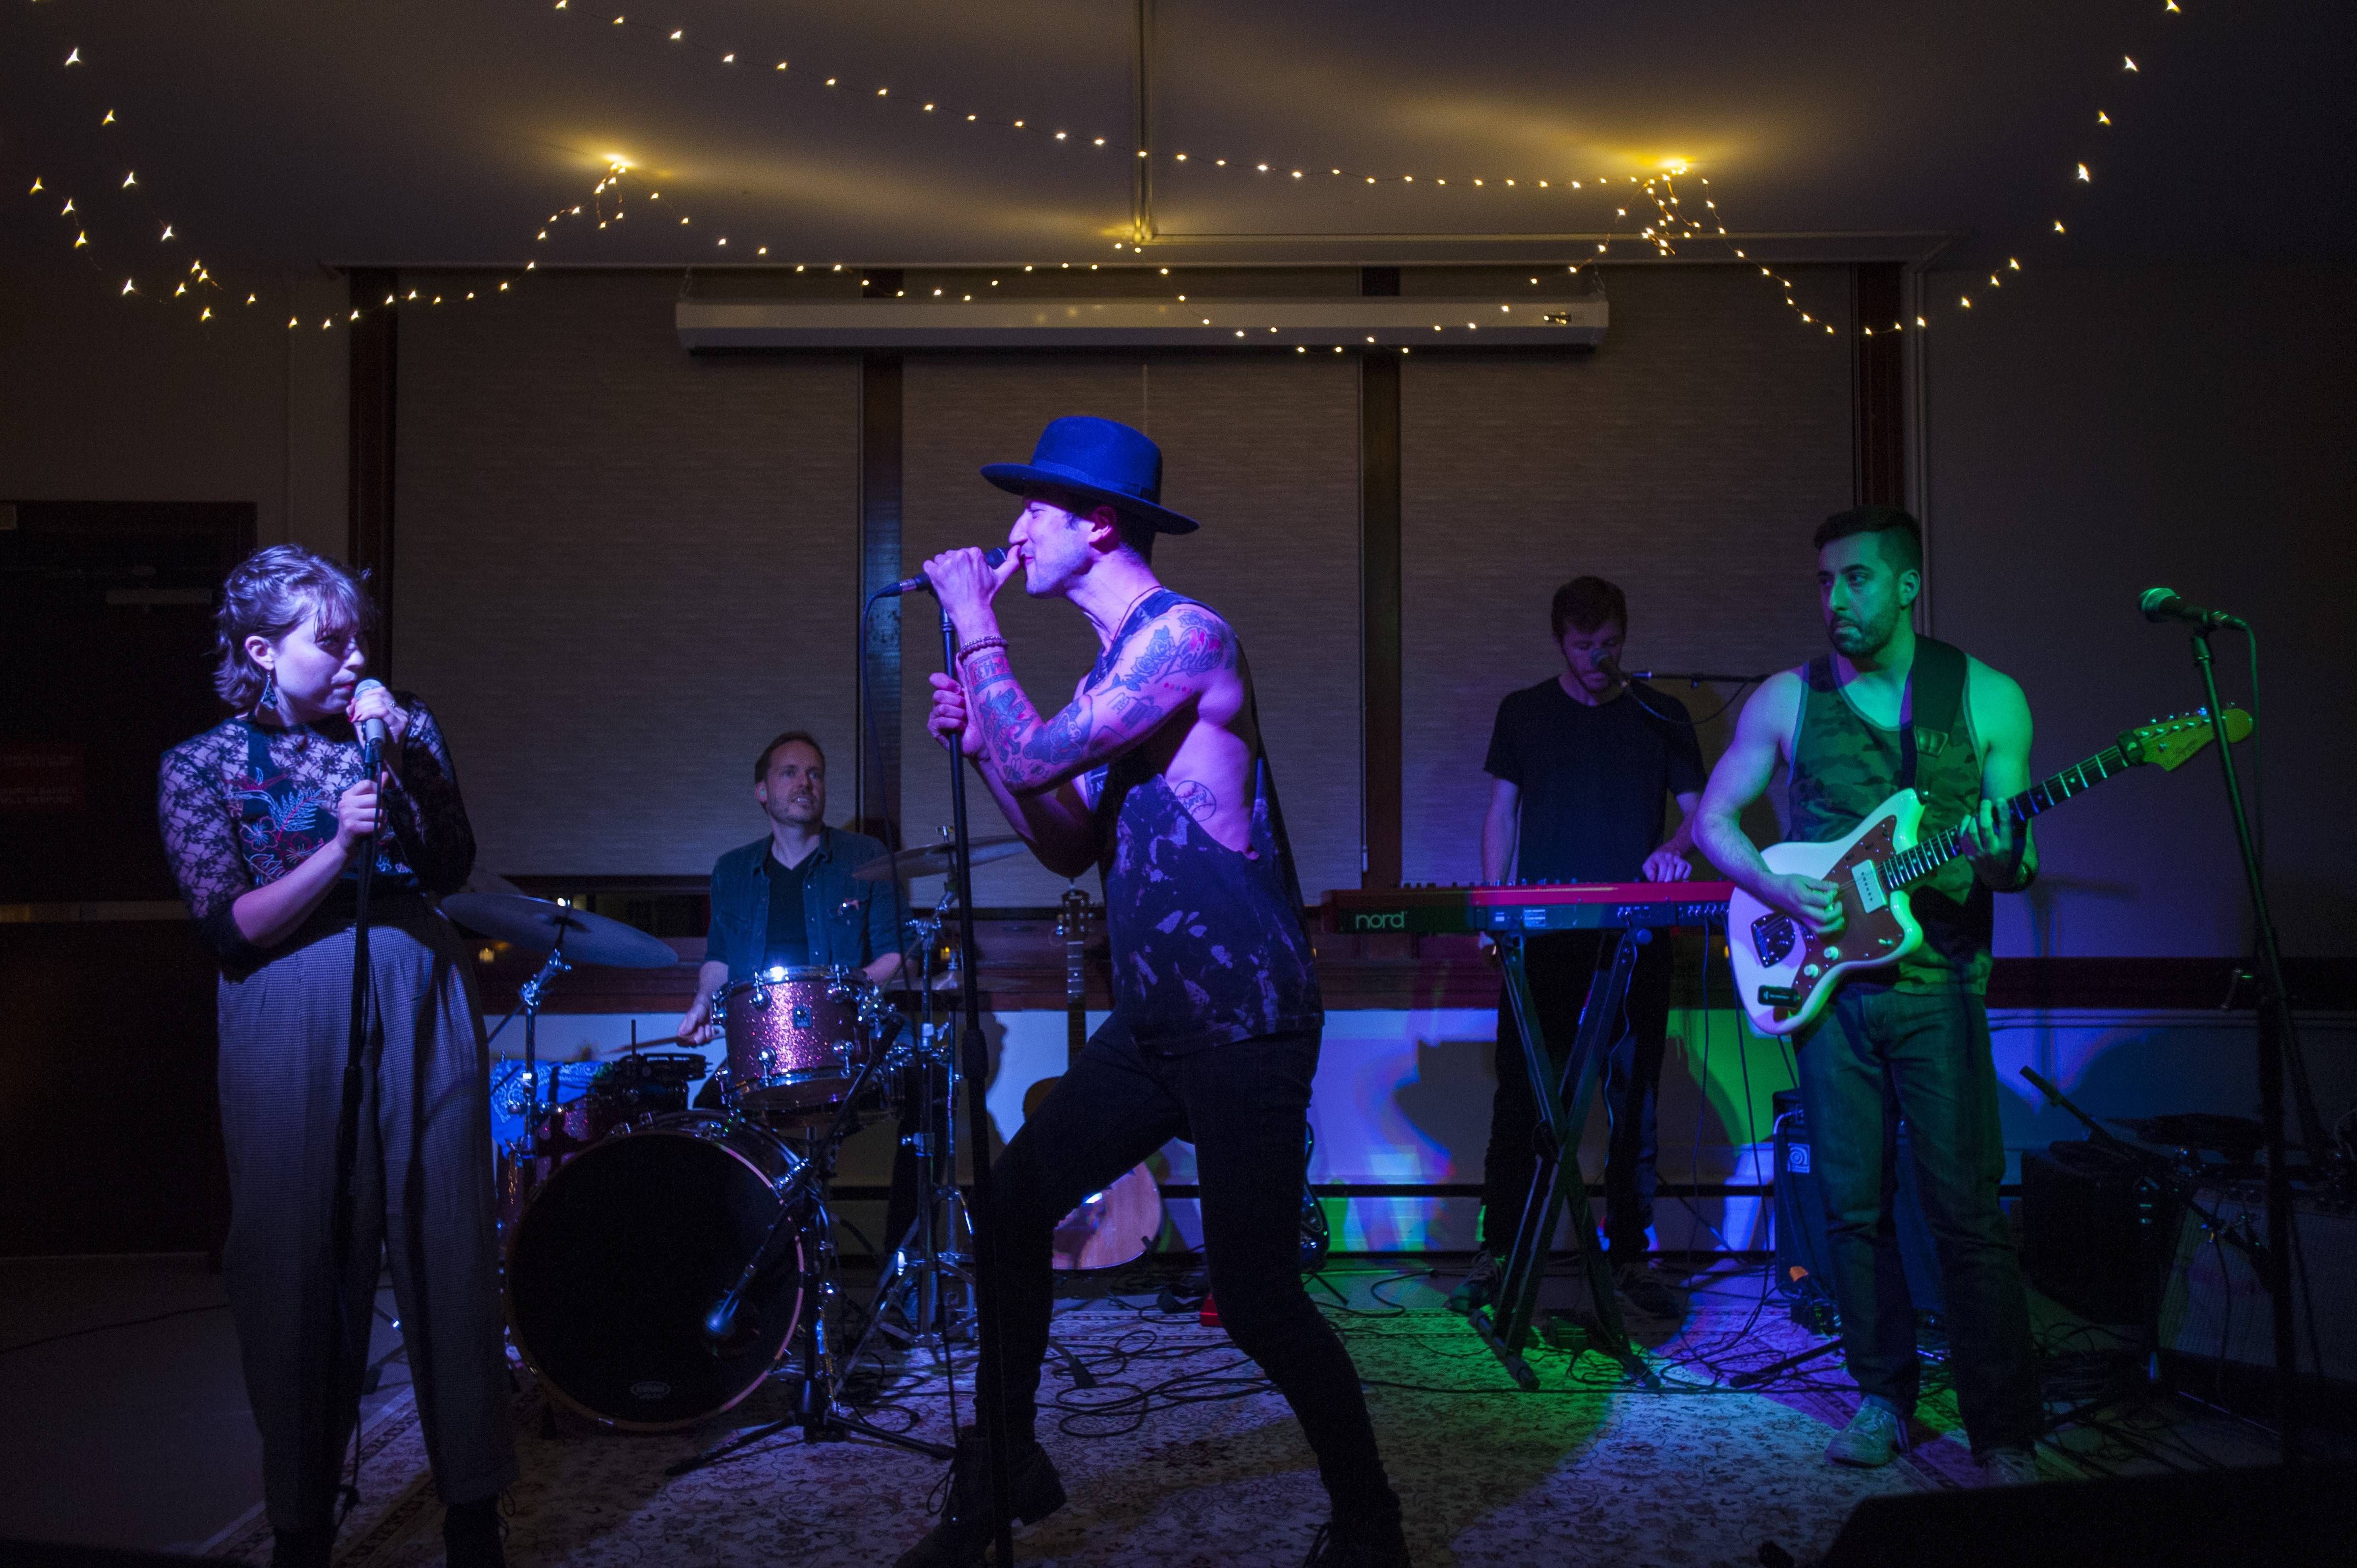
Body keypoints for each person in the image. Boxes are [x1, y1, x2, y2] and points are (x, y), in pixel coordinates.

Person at [904, 416, 1408, 1568]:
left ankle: (1372, 1525)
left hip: (1242, 1021)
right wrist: (983, 744)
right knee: (1016, 1204)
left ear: (1096, 523)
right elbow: (1066, 843)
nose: (1011, 531)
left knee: (1258, 1293)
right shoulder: (1108, 672)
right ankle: (1008, 1469)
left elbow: (1040, 753)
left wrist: (978, 631)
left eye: (1033, 509)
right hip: (1157, 1024)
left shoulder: (1184, 637)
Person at [157, 545, 515, 1567]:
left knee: (446, 1240)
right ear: (264, 651)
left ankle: (473, 1510)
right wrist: (336, 852)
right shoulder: (204, 765)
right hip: (285, 1005)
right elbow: (230, 928)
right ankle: (302, 1518)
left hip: (419, 988)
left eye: (360, 632)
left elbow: (447, 860)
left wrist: (401, 754)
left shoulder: (403, 728)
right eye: (332, 638)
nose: (357, 652)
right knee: (293, 1256)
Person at [1692, 505, 2042, 1484]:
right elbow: (1717, 821)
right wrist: (1771, 884)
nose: (1833, 598)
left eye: (1853, 578)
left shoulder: (1984, 696)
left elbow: (2020, 860)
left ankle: (2003, 1427)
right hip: (1828, 994)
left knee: (1966, 1214)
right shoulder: (1784, 699)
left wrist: (1995, 845)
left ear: (1906, 585)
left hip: (1940, 989)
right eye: (1823, 580)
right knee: (1851, 1208)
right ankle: (1881, 1394)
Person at [1452, 577, 1704, 1323]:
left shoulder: (1663, 714)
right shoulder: (1525, 712)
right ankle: (1499, 1249)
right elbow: (1503, 813)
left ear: (1626, 632)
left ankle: (1630, 1252)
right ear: (1561, 640)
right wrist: (1495, 905)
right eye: (1586, 645)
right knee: (1523, 1092)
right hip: (1543, 937)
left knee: (1636, 1095)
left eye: (1611, 643)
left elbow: (1702, 814)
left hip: (1636, 932)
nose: (1600, 657)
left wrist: (1672, 850)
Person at [675, 732, 916, 1242]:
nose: (805, 782)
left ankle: (905, 1269)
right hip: (762, 1051)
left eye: (815, 773)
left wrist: (836, 993)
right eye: (790, 772)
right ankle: (745, 1270)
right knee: (699, 1127)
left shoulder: (866, 858)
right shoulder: (733, 869)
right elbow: (719, 957)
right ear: (762, 790)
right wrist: (702, 1003)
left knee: (927, 1091)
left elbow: (896, 954)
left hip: (847, 1043)